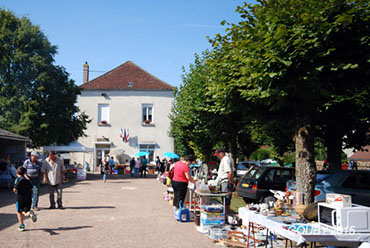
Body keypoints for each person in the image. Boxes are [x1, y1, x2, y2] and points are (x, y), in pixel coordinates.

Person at [13, 167, 37, 231]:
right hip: (28, 198)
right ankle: (30, 214)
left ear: (17, 172)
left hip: (20, 198)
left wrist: (15, 191)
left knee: (19, 212)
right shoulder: (27, 181)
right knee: (26, 212)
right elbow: (32, 188)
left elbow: (15, 189)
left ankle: (22, 225)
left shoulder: (18, 180)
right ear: (24, 173)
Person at [214, 148, 234, 218]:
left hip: (226, 181)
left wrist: (230, 181)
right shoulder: (223, 160)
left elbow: (229, 172)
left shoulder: (226, 159)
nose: (217, 156)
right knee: (224, 199)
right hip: (223, 181)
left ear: (222, 153)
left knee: (226, 199)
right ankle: (226, 214)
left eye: (218, 155)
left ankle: (227, 215)